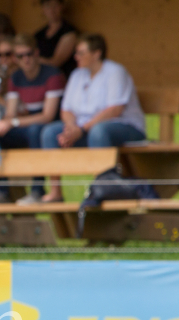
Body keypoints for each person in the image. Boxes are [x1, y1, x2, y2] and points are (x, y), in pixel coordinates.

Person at [40, 34, 145, 202]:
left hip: (125, 127)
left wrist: (81, 130)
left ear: (97, 53)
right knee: (50, 132)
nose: (76, 57)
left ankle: (103, 190)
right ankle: (55, 192)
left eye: (81, 53)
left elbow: (114, 110)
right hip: (85, 129)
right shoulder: (77, 75)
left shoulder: (115, 72)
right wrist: (71, 127)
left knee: (99, 131)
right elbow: (66, 110)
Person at [0, 34, 65, 205]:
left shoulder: (52, 75)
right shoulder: (16, 77)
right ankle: (1, 192)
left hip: (47, 129)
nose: (25, 59)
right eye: (20, 56)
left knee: (36, 131)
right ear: (16, 58)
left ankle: (37, 191)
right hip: (24, 125)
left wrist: (13, 122)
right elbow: (10, 114)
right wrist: (2, 124)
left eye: (28, 54)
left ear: (36, 53)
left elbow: (47, 116)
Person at [35, 0, 77, 79]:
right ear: (42, 9)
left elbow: (55, 63)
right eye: (48, 6)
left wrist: (34, 59)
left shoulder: (69, 32)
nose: (52, 10)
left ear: (62, 7)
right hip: (40, 80)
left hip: (61, 79)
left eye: (55, 5)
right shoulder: (38, 34)